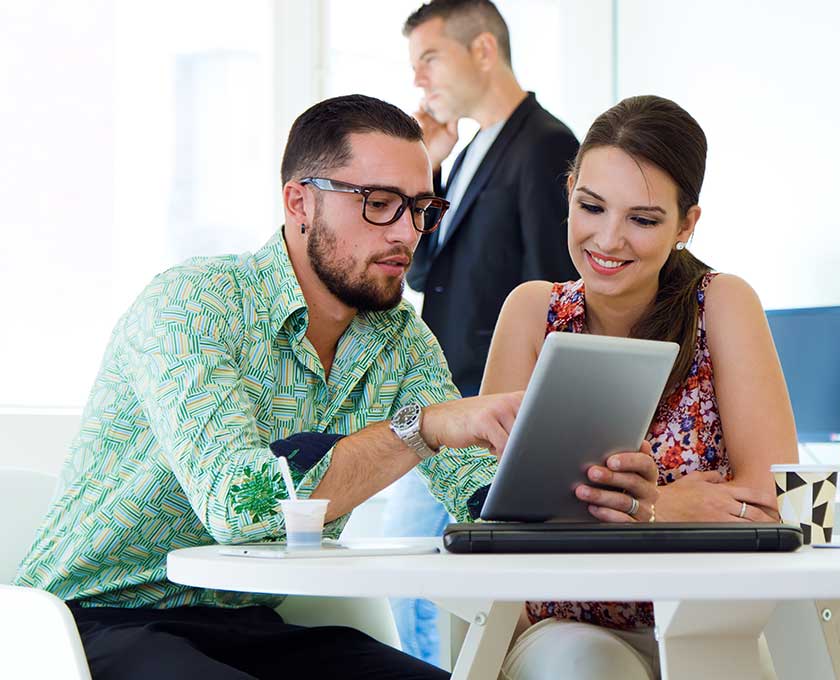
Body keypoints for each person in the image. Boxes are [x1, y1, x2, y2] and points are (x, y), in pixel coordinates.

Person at [13, 93, 657, 680]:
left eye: (421, 210)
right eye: (378, 204)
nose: (406, 233)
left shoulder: (399, 337)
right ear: (300, 202)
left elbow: (476, 495)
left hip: (253, 621)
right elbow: (241, 507)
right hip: (92, 622)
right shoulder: (193, 305)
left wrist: (584, 487)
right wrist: (423, 428)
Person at [479, 95, 799, 680]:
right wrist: (663, 508)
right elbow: (492, 511)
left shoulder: (722, 304)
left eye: (643, 219)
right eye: (591, 206)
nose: (608, 239)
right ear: (569, 192)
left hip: (707, 621)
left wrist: (636, 510)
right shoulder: (532, 311)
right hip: (566, 628)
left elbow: (774, 500)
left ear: (687, 224)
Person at [384, 0, 580, 664]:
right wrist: (432, 167)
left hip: (490, 403)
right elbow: (423, 272)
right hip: (444, 399)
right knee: (418, 578)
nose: (419, 80)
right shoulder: (467, 151)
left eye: (429, 59)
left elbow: (556, 286)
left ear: (484, 51)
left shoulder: (545, 144)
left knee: (426, 580)